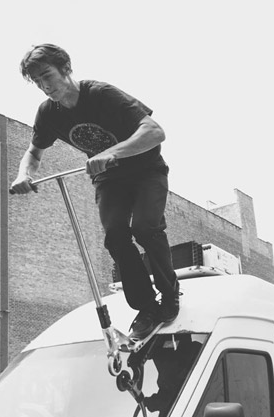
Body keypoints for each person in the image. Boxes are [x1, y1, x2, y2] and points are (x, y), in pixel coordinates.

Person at [10, 43, 180, 341]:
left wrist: (112, 152)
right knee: (115, 235)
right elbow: (33, 153)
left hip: (146, 171)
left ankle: (170, 293)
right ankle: (146, 308)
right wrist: (24, 174)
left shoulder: (101, 94)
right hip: (110, 179)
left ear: (66, 68)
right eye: (37, 82)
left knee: (145, 228)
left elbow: (155, 132)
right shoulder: (48, 113)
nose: (44, 86)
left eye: (47, 76)